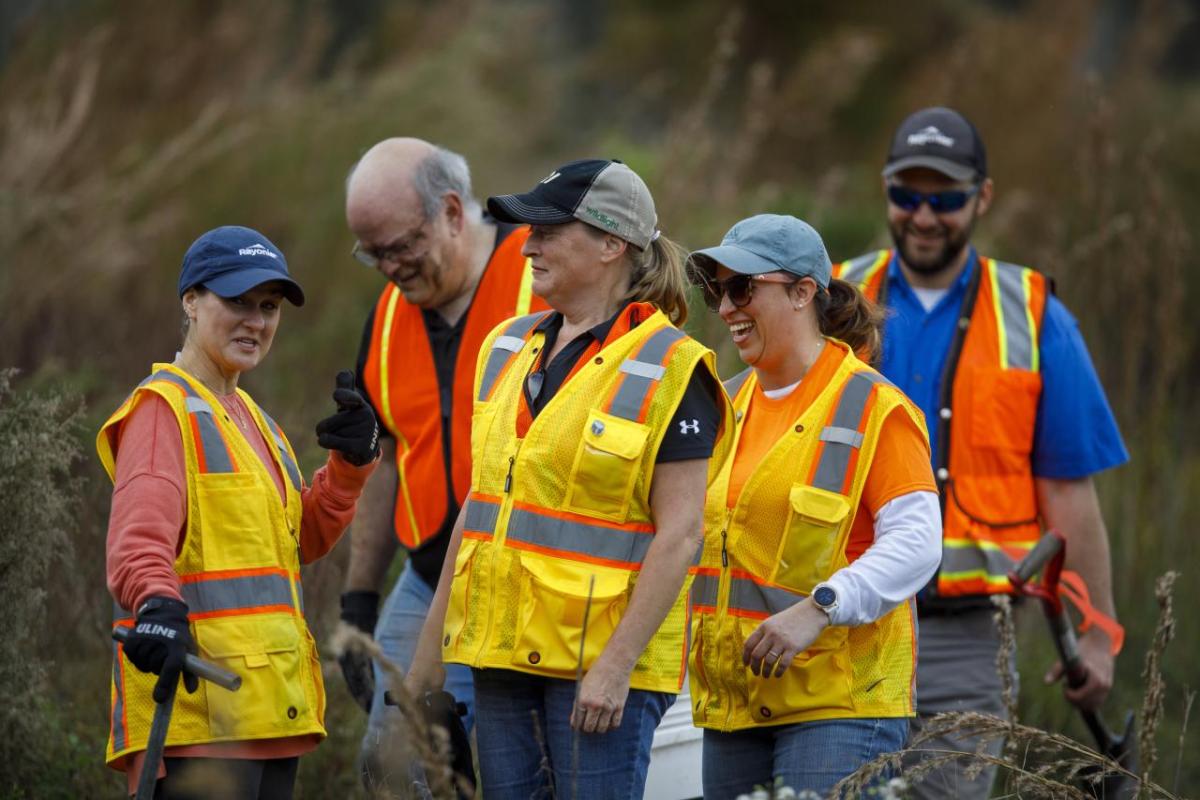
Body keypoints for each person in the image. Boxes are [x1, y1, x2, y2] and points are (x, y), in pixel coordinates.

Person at [404, 158, 732, 799]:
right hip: (501, 662)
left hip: (598, 676)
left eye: (550, 230)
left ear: (613, 244)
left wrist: (615, 668)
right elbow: (480, 512)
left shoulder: (673, 366)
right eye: (530, 231)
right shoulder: (505, 347)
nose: (529, 245)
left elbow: (681, 535)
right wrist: (426, 657)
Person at [832, 106, 1129, 798]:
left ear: (982, 198)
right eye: (908, 196)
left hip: (966, 642)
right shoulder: (832, 298)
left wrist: (1098, 633)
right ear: (886, 193)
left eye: (946, 199)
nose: (925, 216)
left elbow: (1068, 494)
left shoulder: (1033, 314)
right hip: (838, 624)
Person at [99, 226, 381, 799]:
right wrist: (156, 603)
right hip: (198, 716)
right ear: (191, 301)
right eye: (237, 302)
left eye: (269, 307)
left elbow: (296, 542)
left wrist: (350, 467)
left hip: (272, 712)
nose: (256, 321)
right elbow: (138, 543)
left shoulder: (249, 414)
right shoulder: (163, 411)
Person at [685, 214, 942, 797]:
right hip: (733, 706)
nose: (726, 308)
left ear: (804, 292)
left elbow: (917, 544)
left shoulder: (873, 406)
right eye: (717, 290)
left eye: (743, 287)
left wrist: (821, 607)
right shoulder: (723, 407)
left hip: (840, 706)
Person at [338, 138, 547, 784]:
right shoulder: (386, 320)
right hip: (430, 575)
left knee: (522, 776)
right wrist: (358, 598)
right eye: (372, 254)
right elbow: (388, 459)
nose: (390, 268)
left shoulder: (544, 275)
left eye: (400, 246)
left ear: (453, 212)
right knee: (395, 768)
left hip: (533, 582)